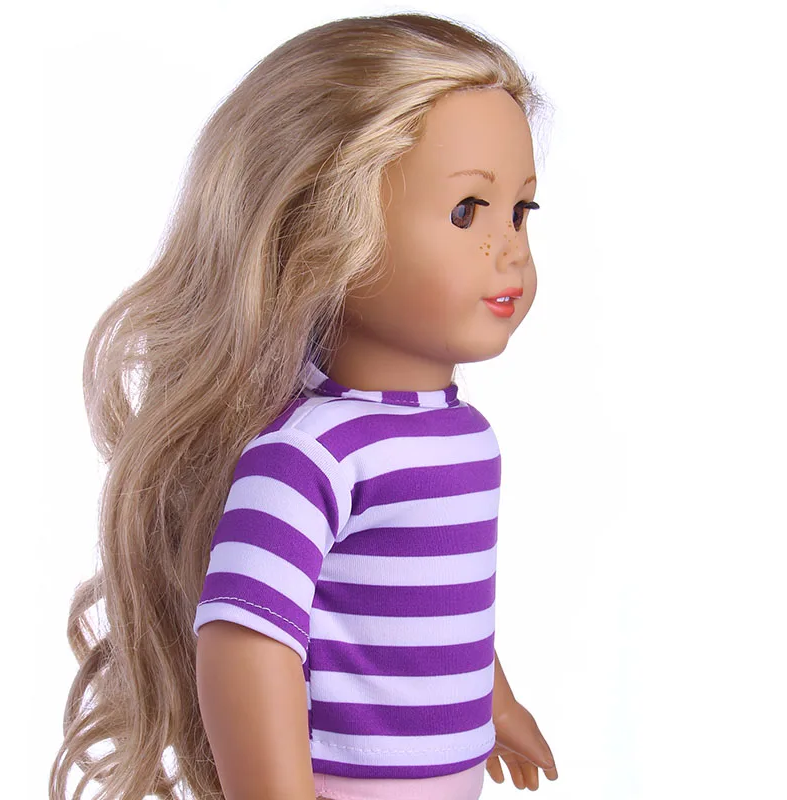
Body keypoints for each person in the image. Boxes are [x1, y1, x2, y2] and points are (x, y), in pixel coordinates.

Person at [49, 12, 558, 800]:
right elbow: (245, 639)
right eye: (467, 211)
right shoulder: (312, 453)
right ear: (324, 226)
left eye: (521, 211)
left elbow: (437, 612)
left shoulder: (466, 437)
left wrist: (496, 702)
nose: (511, 248)